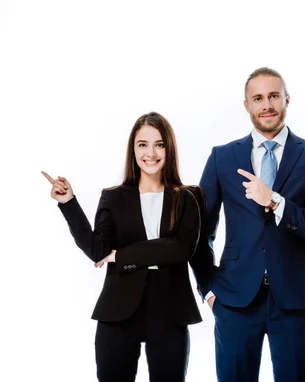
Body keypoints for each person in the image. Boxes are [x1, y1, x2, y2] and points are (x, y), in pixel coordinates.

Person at [43, 112, 206, 382]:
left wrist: (122, 255)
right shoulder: (114, 197)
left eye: (159, 144)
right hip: (118, 309)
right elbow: (98, 251)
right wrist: (69, 203)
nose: (150, 153)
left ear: (169, 148)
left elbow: (181, 249)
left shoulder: (188, 197)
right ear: (133, 149)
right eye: (143, 144)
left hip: (170, 310)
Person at [195, 67, 305, 382]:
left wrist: (275, 201)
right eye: (258, 98)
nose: (267, 105)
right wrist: (209, 291)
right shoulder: (222, 158)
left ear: (287, 99)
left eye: (273, 96)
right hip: (233, 300)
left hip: (295, 299)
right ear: (247, 105)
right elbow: (200, 233)